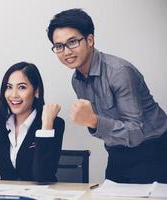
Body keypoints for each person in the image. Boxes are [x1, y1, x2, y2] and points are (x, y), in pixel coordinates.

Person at [47, 8, 167, 183]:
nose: (66, 52)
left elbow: (136, 133)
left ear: (90, 40)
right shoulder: (77, 80)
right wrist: (94, 122)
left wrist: (93, 121)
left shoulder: (119, 72)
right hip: (117, 151)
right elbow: (106, 130)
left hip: (153, 151)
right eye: (59, 46)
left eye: (72, 42)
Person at [0, 62, 65, 182]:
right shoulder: (0, 127)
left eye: (22, 87)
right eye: (9, 87)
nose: (13, 95)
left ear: (36, 91)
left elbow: (42, 176)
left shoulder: (54, 124)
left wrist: (47, 124)